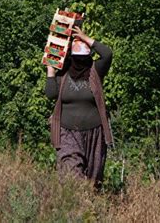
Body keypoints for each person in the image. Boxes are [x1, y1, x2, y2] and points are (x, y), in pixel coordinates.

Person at [45, 26, 113, 188]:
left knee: (92, 179)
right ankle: (74, 204)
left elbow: (107, 53)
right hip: (67, 132)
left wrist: (84, 37)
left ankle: (87, 210)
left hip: (94, 134)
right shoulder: (63, 73)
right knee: (71, 173)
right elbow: (50, 94)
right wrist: (50, 72)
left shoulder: (95, 71)